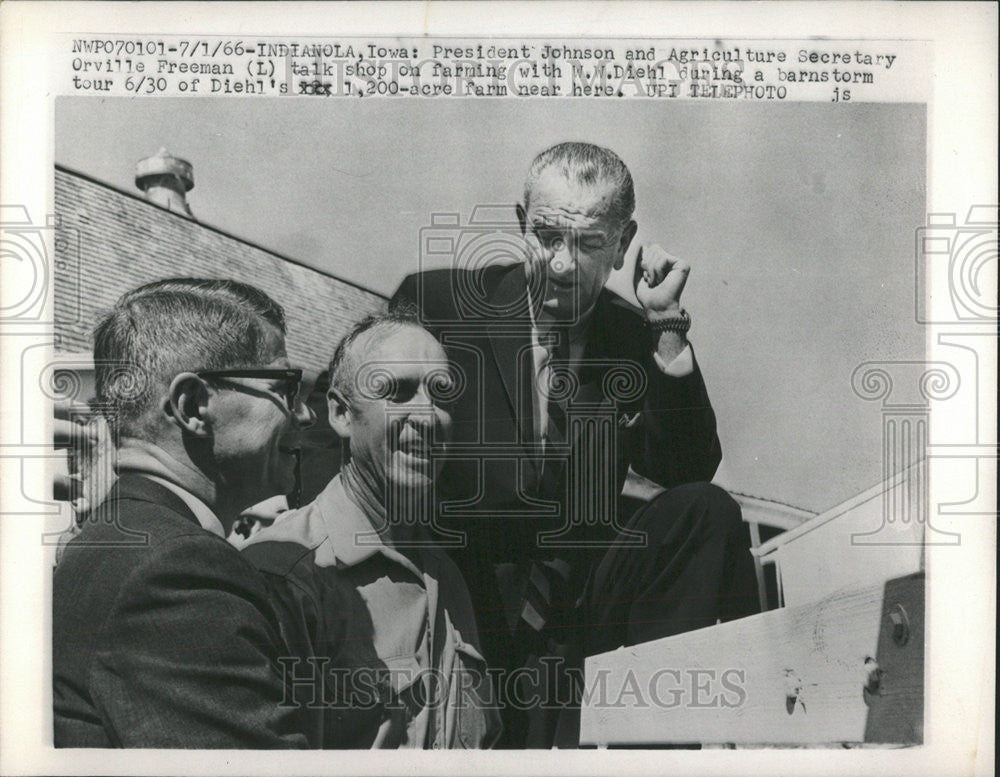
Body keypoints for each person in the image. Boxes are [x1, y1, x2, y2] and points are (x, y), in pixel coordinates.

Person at [390, 142, 760, 746]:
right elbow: (357, 424)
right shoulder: (436, 304)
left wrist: (666, 328)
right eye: (546, 236)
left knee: (707, 511)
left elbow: (690, 467)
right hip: (460, 583)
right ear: (520, 224)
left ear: (622, 243)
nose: (562, 264)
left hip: (578, 599)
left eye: (589, 243)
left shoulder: (635, 332)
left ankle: (655, 739)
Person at [53, 278, 317, 748]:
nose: (304, 415)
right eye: (284, 387)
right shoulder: (176, 571)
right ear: (194, 406)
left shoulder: (125, 537)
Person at [240, 310, 502, 749]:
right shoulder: (281, 572)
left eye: (441, 396)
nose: (427, 416)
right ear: (341, 414)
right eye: (396, 393)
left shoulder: (451, 579)